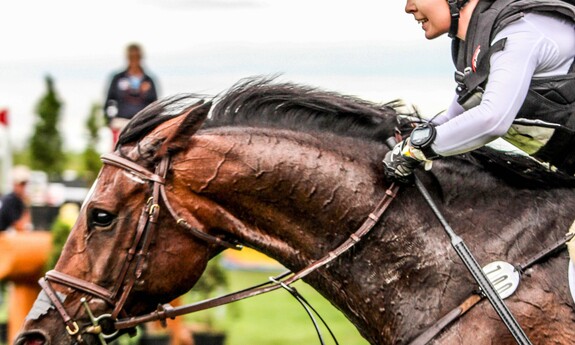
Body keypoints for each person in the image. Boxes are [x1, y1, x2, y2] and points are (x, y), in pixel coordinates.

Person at [384, 0, 575, 182]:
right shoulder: (477, 44)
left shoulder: (518, 32)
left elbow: (492, 120)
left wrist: (413, 151)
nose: (408, 8)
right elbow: (454, 116)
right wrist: (408, 137)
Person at [104, 43, 158, 147]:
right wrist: (110, 120)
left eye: (136, 56)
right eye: (131, 56)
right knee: (118, 156)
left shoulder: (148, 80)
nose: (134, 59)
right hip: (121, 124)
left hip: (143, 125)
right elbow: (109, 101)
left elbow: (155, 104)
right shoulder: (118, 78)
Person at [0, 165, 31, 232]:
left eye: (25, 184)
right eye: (22, 184)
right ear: (14, 184)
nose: (24, 187)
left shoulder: (17, 200)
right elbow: (20, 226)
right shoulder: (10, 200)